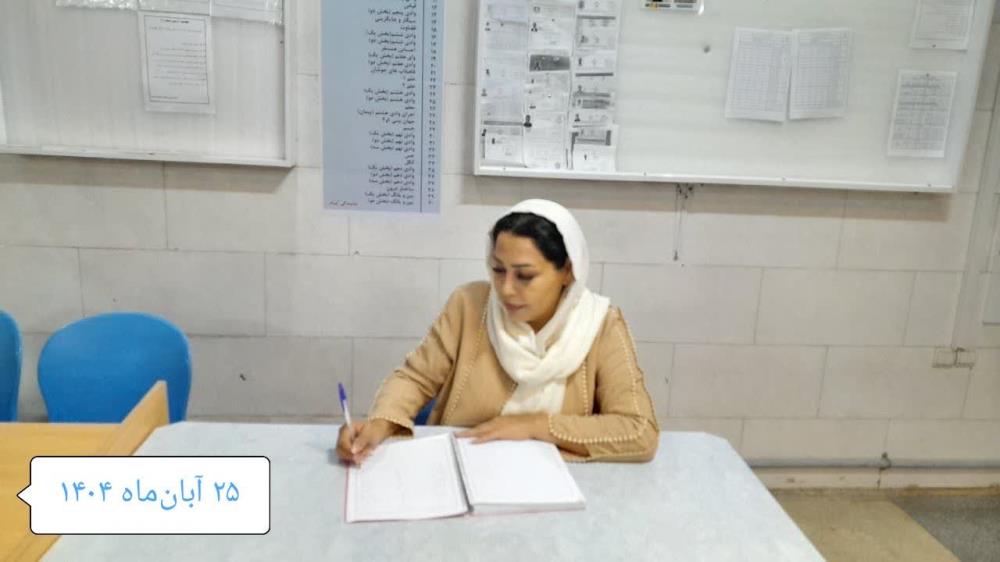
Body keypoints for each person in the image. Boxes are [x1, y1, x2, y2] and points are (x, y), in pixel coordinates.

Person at [336, 199, 659, 464]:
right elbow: (415, 378)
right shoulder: (470, 304)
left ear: (567, 271)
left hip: (555, 480)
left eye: (525, 276)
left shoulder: (600, 324)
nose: (505, 289)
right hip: (464, 465)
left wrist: (535, 426)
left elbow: (639, 431)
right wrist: (381, 423)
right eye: (498, 270)